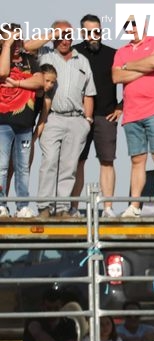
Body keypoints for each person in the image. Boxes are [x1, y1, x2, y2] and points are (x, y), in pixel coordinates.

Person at [35, 21, 95, 218]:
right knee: (49, 162)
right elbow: (27, 46)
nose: (65, 40)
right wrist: (52, 33)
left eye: (69, 35)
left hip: (77, 120)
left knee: (69, 167)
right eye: (61, 35)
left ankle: (62, 208)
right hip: (52, 118)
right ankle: (44, 207)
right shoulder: (45, 54)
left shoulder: (82, 61)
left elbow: (89, 93)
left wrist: (87, 120)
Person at [112, 22, 154, 218]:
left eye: (134, 23)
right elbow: (116, 76)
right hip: (131, 112)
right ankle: (134, 206)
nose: (131, 28)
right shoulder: (121, 51)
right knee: (137, 160)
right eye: (127, 24)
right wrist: (143, 68)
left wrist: (129, 67)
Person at [71, 15, 122, 218]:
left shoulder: (114, 54)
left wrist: (121, 106)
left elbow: (132, 80)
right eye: (90, 32)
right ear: (83, 33)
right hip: (80, 117)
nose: (94, 36)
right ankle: (74, 208)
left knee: (107, 161)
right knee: (77, 161)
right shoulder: (73, 53)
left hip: (106, 116)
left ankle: (108, 209)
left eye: (98, 31)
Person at [0, 23, 44, 218]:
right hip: (3, 122)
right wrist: (7, 46)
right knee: (1, 165)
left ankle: (23, 206)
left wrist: (18, 82)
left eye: (18, 38)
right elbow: (2, 73)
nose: (16, 42)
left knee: (23, 167)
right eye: (11, 38)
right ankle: (1, 205)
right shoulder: (2, 55)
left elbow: (39, 81)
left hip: (26, 123)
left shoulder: (28, 58)